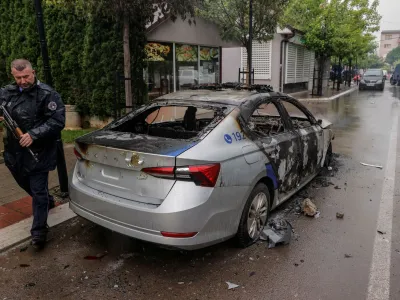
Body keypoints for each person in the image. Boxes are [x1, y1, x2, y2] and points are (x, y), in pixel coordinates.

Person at [0, 59, 65, 250]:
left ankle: (39, 232)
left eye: (26, 76)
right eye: (18, 77)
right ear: (13, 75)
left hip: (38, 152)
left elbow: (57, 121)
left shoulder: (47, 94)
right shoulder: (6, 92)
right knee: (25, 184)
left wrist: (33, 135)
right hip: (14, 153)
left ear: (33, 72)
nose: (22, 81)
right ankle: (47, 200)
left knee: (38, 191)